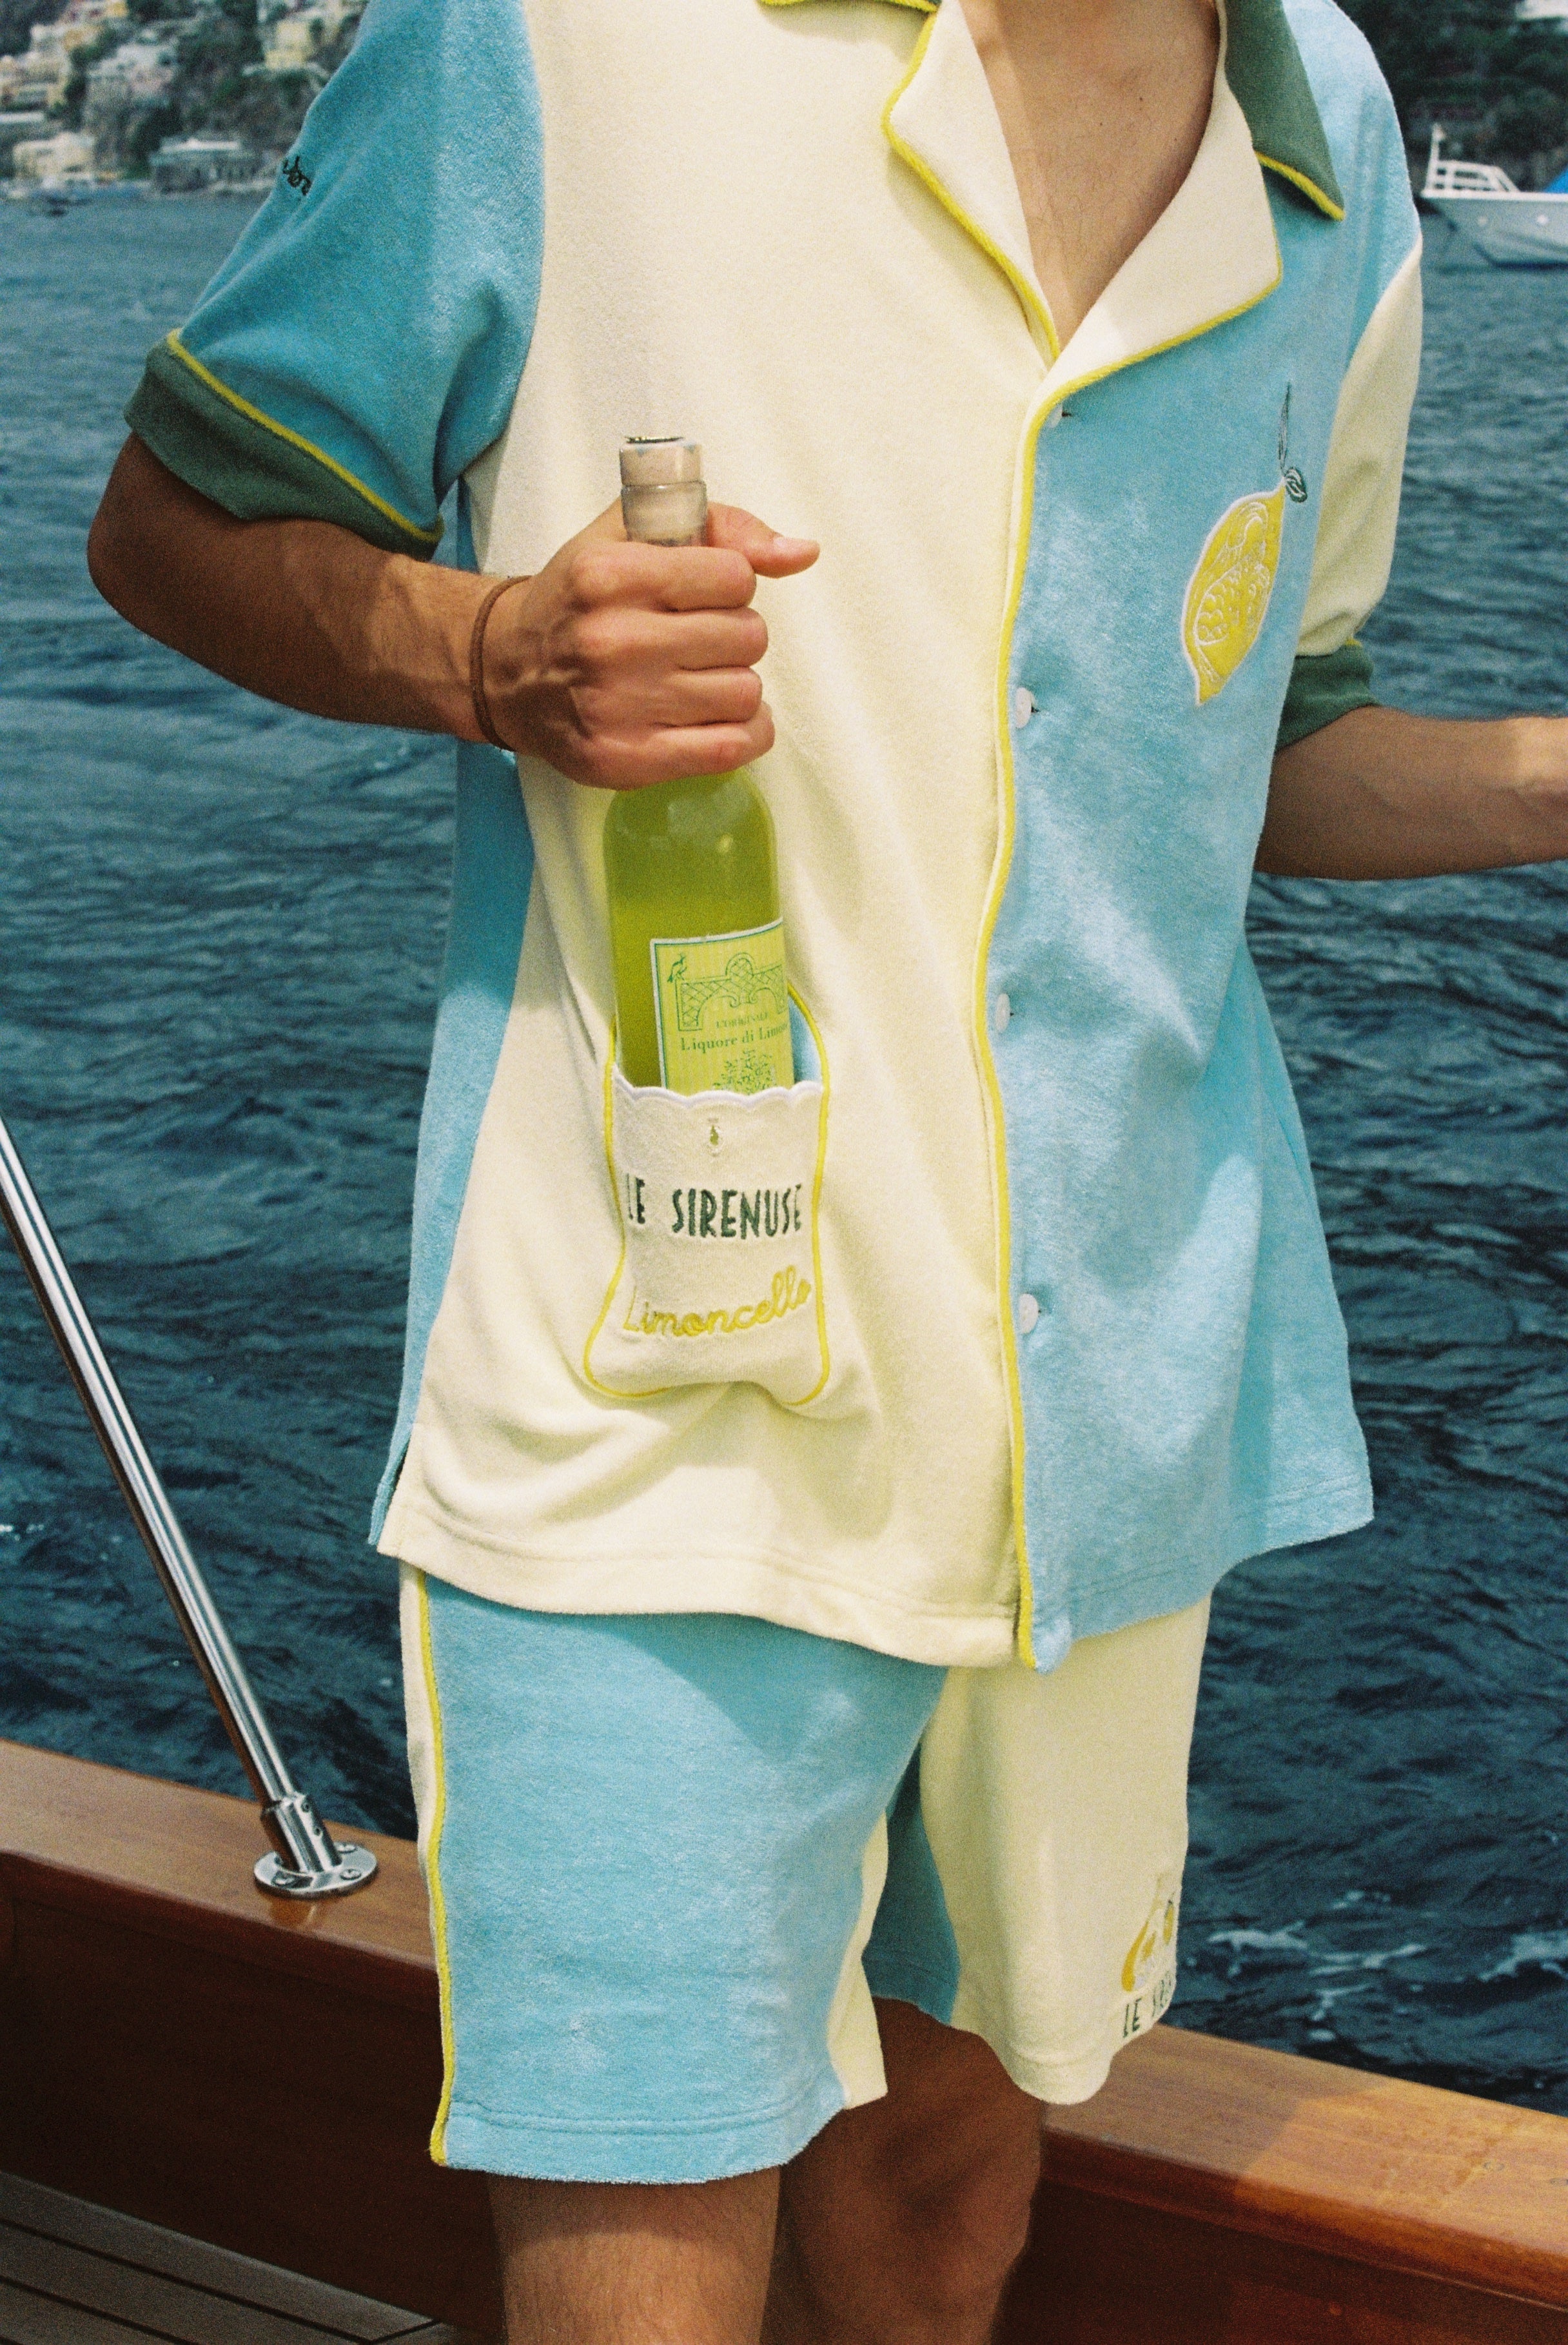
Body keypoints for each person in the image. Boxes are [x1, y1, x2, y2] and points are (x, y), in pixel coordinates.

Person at [86, 0, 1568, 2335]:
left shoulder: (1340, 129)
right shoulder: (545, 36)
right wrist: (487, 649)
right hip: (656, 1372)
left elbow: (1263, 754)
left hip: (1107, 1426)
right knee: (640, 2251)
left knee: (948, 2187)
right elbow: (176, 520)